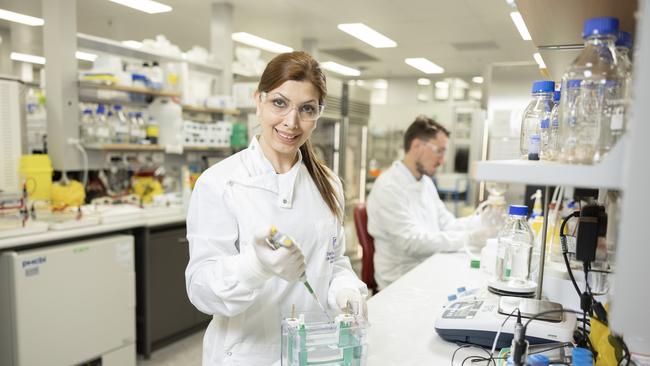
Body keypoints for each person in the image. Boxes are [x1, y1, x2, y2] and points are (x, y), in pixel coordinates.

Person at [185, 51, 367, 365]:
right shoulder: (220, 183)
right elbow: (202, 291)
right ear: (259, 100)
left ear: (318, 114)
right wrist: (255, 267)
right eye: (279, 103)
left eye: (306, 109)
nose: (291, 122)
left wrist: (345, 290)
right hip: (245, 355)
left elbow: (333, 261)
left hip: (313, 353)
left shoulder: (328, 184)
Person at [366, 116, 495, 290]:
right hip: (400, 283)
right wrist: (469, 238)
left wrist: (484, 221)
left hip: (428, 269)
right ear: (417, 146)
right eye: (439, 151)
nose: (442, 161)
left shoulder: (425, 183)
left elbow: (446, 224)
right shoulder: (388, 187)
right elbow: (411, 242)